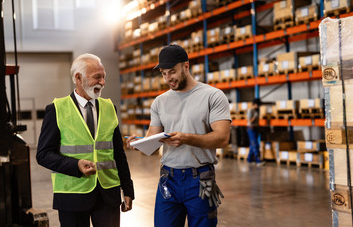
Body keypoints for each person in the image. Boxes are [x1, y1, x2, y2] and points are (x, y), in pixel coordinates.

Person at [126, 44, 231, 227]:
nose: (168, 78)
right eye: (163, 73)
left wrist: (187, 138)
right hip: (169, 180)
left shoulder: (212, 96)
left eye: (172, 72)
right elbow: (153, 139)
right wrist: (139, 143)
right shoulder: (160, 102)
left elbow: (222, 138)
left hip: (200, 180)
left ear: (186, 66)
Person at [36, 53, 134, 227]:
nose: (102, 82)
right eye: (97, 77)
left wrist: (128, 189)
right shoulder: (57, 109)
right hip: (72, 196)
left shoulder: (109, 107)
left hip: (108, 195)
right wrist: (76, 166)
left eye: (104, 77)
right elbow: (43, 154)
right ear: (78, 78)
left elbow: (118, 153)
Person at [246, 98, 264, 166]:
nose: (258, 106)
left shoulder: (256, 110)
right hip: (251, 129)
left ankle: (249, 159)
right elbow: (250, 121)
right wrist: (255, 116)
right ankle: (258, 160)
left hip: (256, 128)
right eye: (258, 105)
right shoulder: (250, 110)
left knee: (252, 145)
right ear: (255, 104)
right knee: (255, 144)